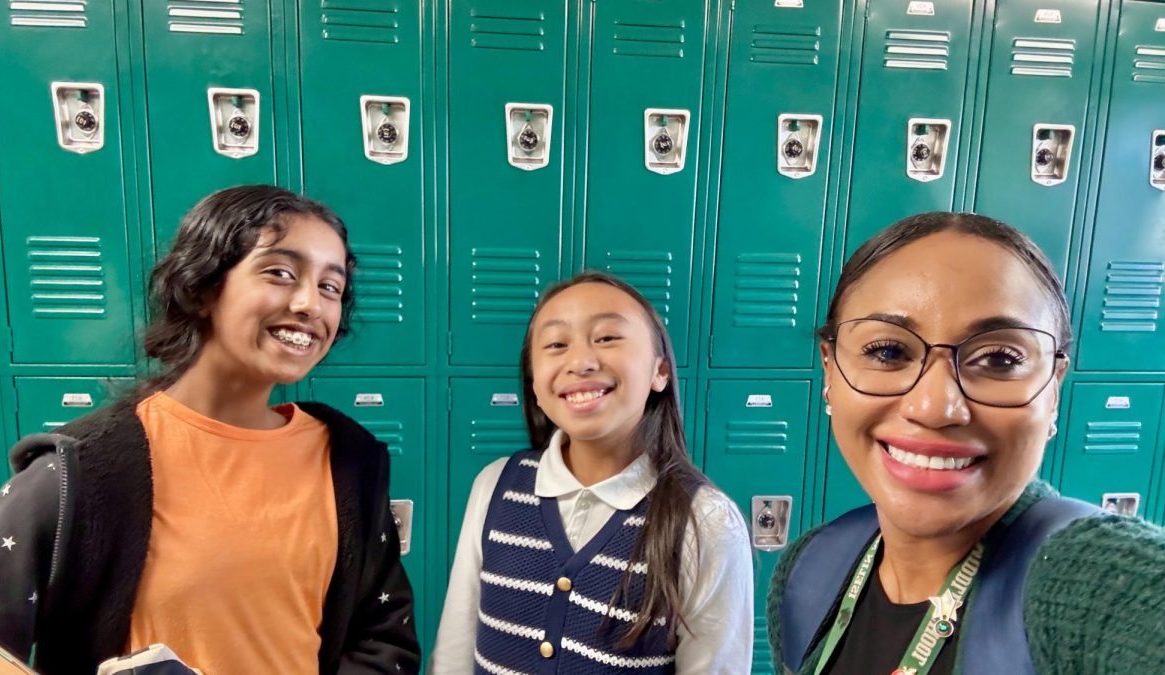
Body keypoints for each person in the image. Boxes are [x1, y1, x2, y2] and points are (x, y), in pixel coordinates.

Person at [0, 185, 420, 674]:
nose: (310, 303)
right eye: (280, 273)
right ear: (202, 288)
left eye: (331, 287)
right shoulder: (77, 472)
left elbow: (384, 634)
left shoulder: (348, 459)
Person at [767, 212, 1165, 674]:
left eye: (998, 358)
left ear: (1053, 388)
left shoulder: (1095, 585)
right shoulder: (807, 574)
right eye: (888, 352)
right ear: (830, 371)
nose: (936, 407)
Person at [432, 271, 754, 674]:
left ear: (660, 371)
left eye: (607, 338)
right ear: (534, 383)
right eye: (555, 344)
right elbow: (453, 654)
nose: (581, 362)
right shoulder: (495, 485)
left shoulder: (705, 522)